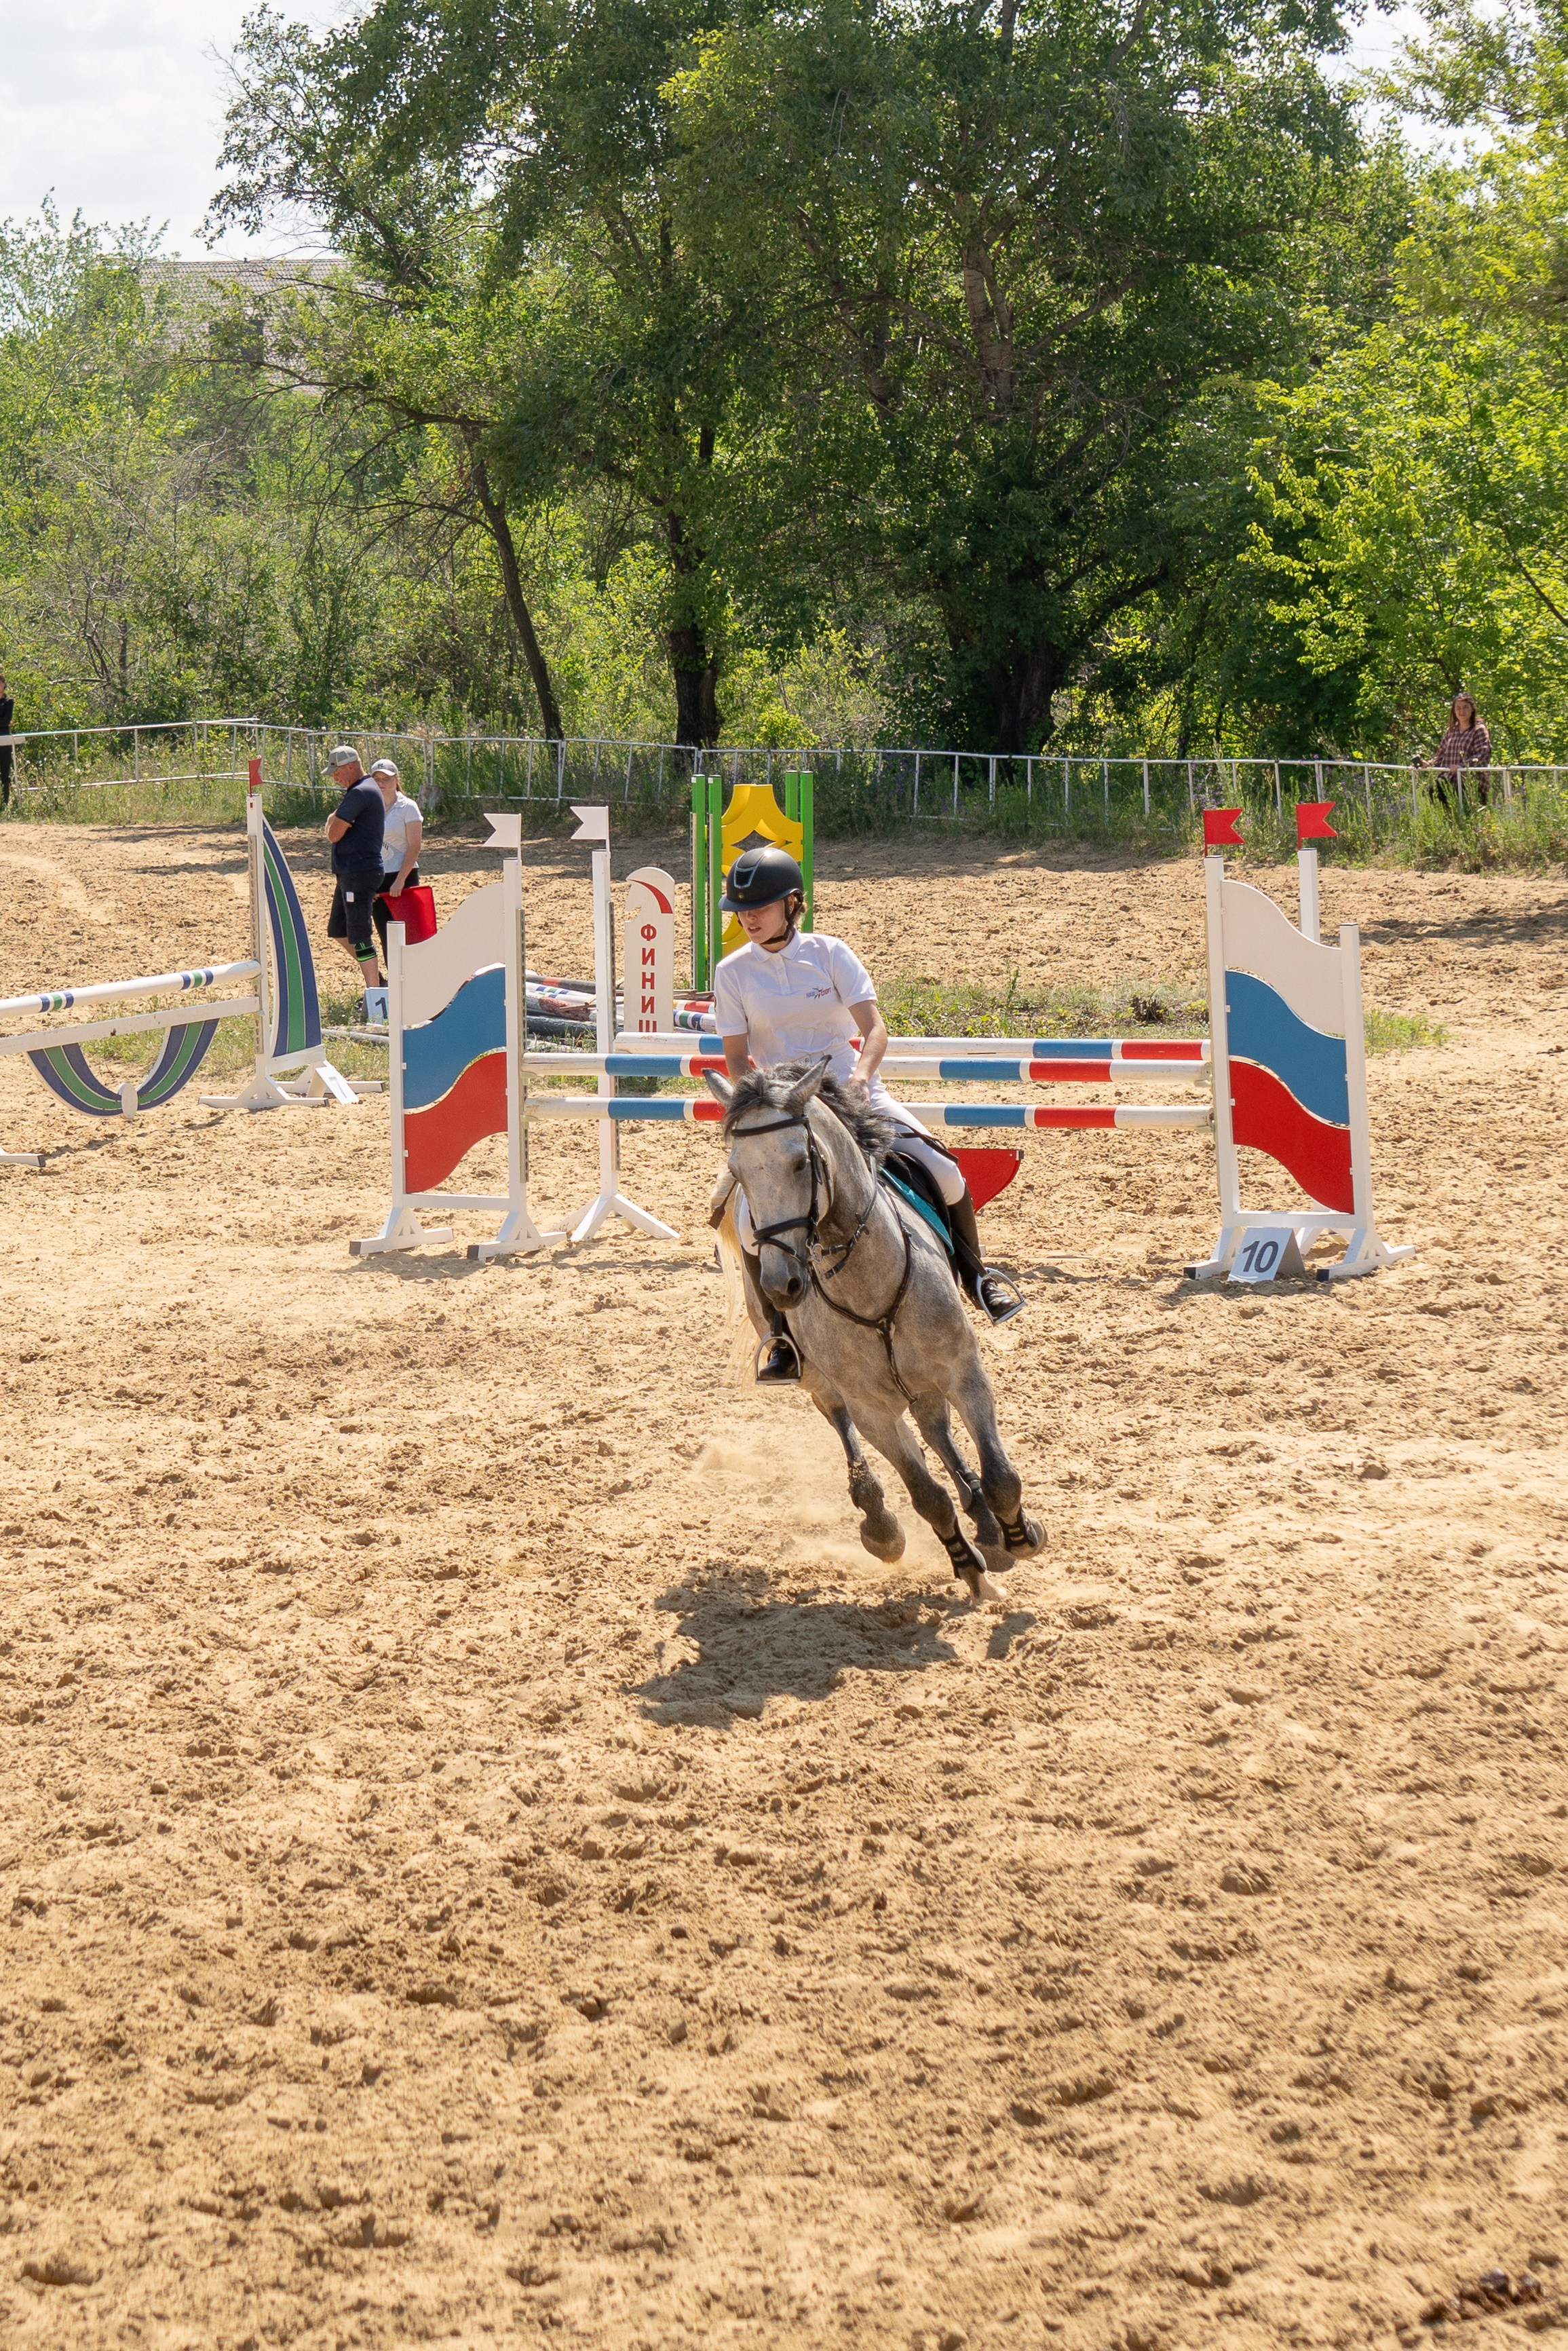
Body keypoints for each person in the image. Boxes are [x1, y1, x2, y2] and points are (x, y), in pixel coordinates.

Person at [713, 844, 1025, 1385]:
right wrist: (759, 1101)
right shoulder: (732, 972)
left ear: (792, 904)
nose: (747, 917)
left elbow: (874, 1029)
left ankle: (977, 1278)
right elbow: (737, 1058)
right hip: (783, 1106)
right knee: (744, 1223)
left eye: (759, 907)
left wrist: (859, 1078)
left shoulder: (831, 953)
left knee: (945, 1172)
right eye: (741, 910)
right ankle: (781, 1339)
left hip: (852, 1093)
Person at [322, 745, 385, 994]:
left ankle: (377, 996)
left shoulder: (359, 793)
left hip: (358, 872)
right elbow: (333, 824)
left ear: (351, 766)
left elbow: (333, 833)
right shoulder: (360, 791)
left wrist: (333, 824)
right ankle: (379, 983)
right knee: (338, 930)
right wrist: (334, 823)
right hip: (351, 873)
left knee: (360, 935)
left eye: (337, 771)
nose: (335, 777)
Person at [368, 758, 424, 960]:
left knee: (409, 934)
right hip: (377, 876)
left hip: (404, 875)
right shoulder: (369, 809)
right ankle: (394, 983)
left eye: (386, 779)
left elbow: (414, 846)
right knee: (386, 935)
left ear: (396, 780)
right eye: (377, 779)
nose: (382, 783)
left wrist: (401, 879)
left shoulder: (408, 807)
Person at [1433, 693, 1492, 806]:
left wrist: (1463, 767)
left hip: (1470, 782)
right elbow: (1440, 756)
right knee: (1433, 791)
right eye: (1458, 708)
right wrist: (1428, 764)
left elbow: (1481, 755)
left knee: (1467, 816)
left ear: (1472, 709)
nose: (1462, 711)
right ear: (1454, 711)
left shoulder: (1479, 730)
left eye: (1465, 707)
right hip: (1448, 779)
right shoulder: (1451, 730)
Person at [0, 674, 14, 810]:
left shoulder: (9, 701)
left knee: (5, 772)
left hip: (4, 740)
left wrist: (5, 723)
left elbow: (6, 720)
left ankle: (5, 803)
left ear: (4, 685)